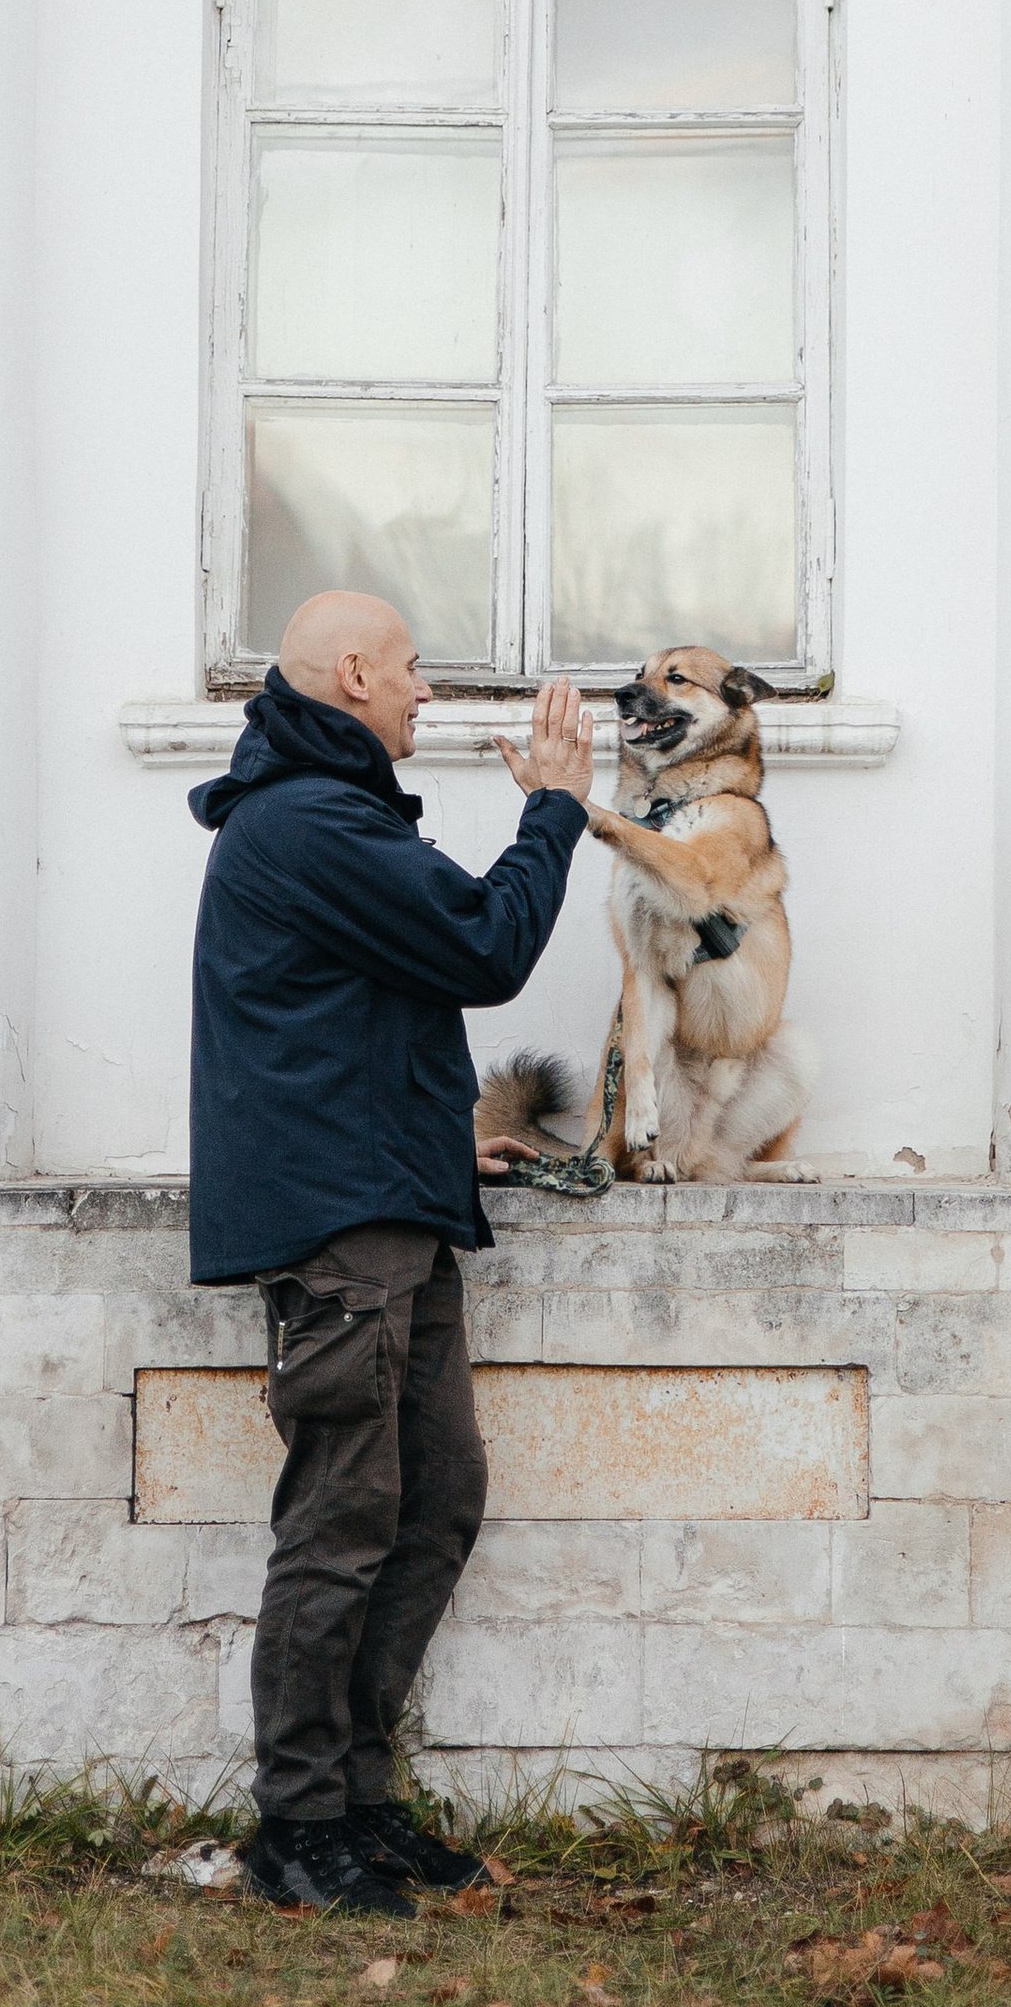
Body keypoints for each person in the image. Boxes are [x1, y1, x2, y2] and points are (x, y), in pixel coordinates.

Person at [186, 590, 593, 1920]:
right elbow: (485, 947)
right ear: (351, 674)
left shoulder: (332, 817)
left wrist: (437, 1142)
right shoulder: (312, 822)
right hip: (341, 1233)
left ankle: (356, 1803)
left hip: (390, 1199)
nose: (427, 690)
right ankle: (300, 1828)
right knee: (342, 1520)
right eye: (413, 668)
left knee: (435, 1498)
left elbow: (357, 1022)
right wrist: (556, 810)